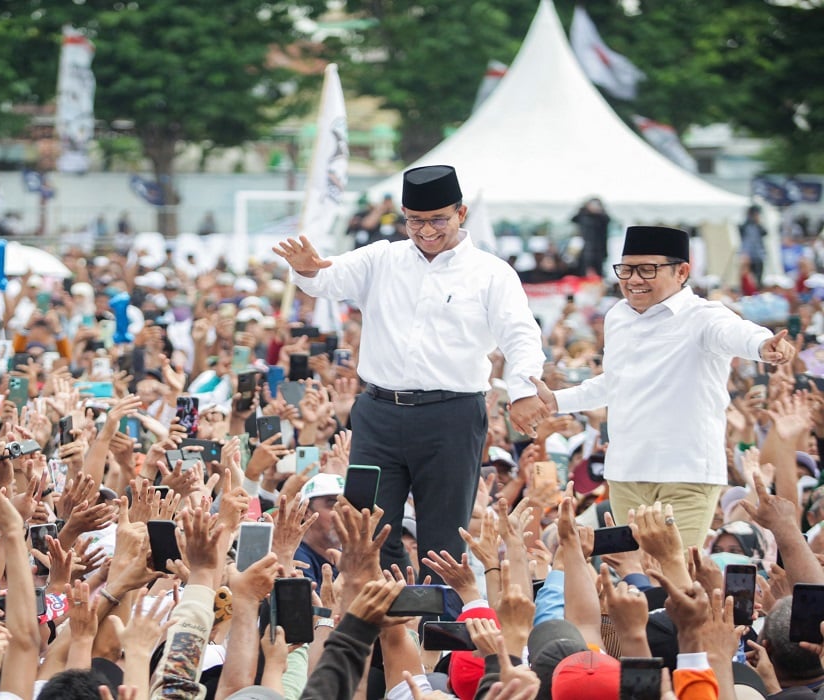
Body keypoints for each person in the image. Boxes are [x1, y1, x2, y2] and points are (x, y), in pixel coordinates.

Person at [273, 164, 548, 573]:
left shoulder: (491, 273)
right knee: (365, 531)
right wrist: (308, 267)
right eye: (415, 221)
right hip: (380, 412)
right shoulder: (381, 258)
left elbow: (521, 336)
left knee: (443, 541)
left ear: (461, 213)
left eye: (438, 219)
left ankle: (439, 630)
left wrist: (524, 390)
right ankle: (387, 624)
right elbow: (327, 281)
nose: (426, 230)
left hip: (451, 415)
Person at [531, 225, 796, 549]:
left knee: (674, 579)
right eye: (626, 269)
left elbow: (737, 333)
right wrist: (556, 400)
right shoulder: (617, 316)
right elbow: (616, 382)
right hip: (627, 471)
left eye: (647, 269)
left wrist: (763, 345)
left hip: (685, 473)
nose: (633, 279)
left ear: (682, 271)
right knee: (635, 579)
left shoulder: (704, 316)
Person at [571, 197, 610, 277]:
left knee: (599, 272)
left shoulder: (601, 218)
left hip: (599, 249)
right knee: (583, 271)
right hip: (584, 249)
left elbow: (607, 220)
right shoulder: (583, 216)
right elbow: (573, 219)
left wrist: (600, 212)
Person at [740, 205, 768, 286]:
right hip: (749, 256)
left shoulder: (758, 226)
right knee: (748, 277)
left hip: (758, 255)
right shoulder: (745, 226)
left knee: (759, 277)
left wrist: (758, 223)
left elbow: (765, 233)